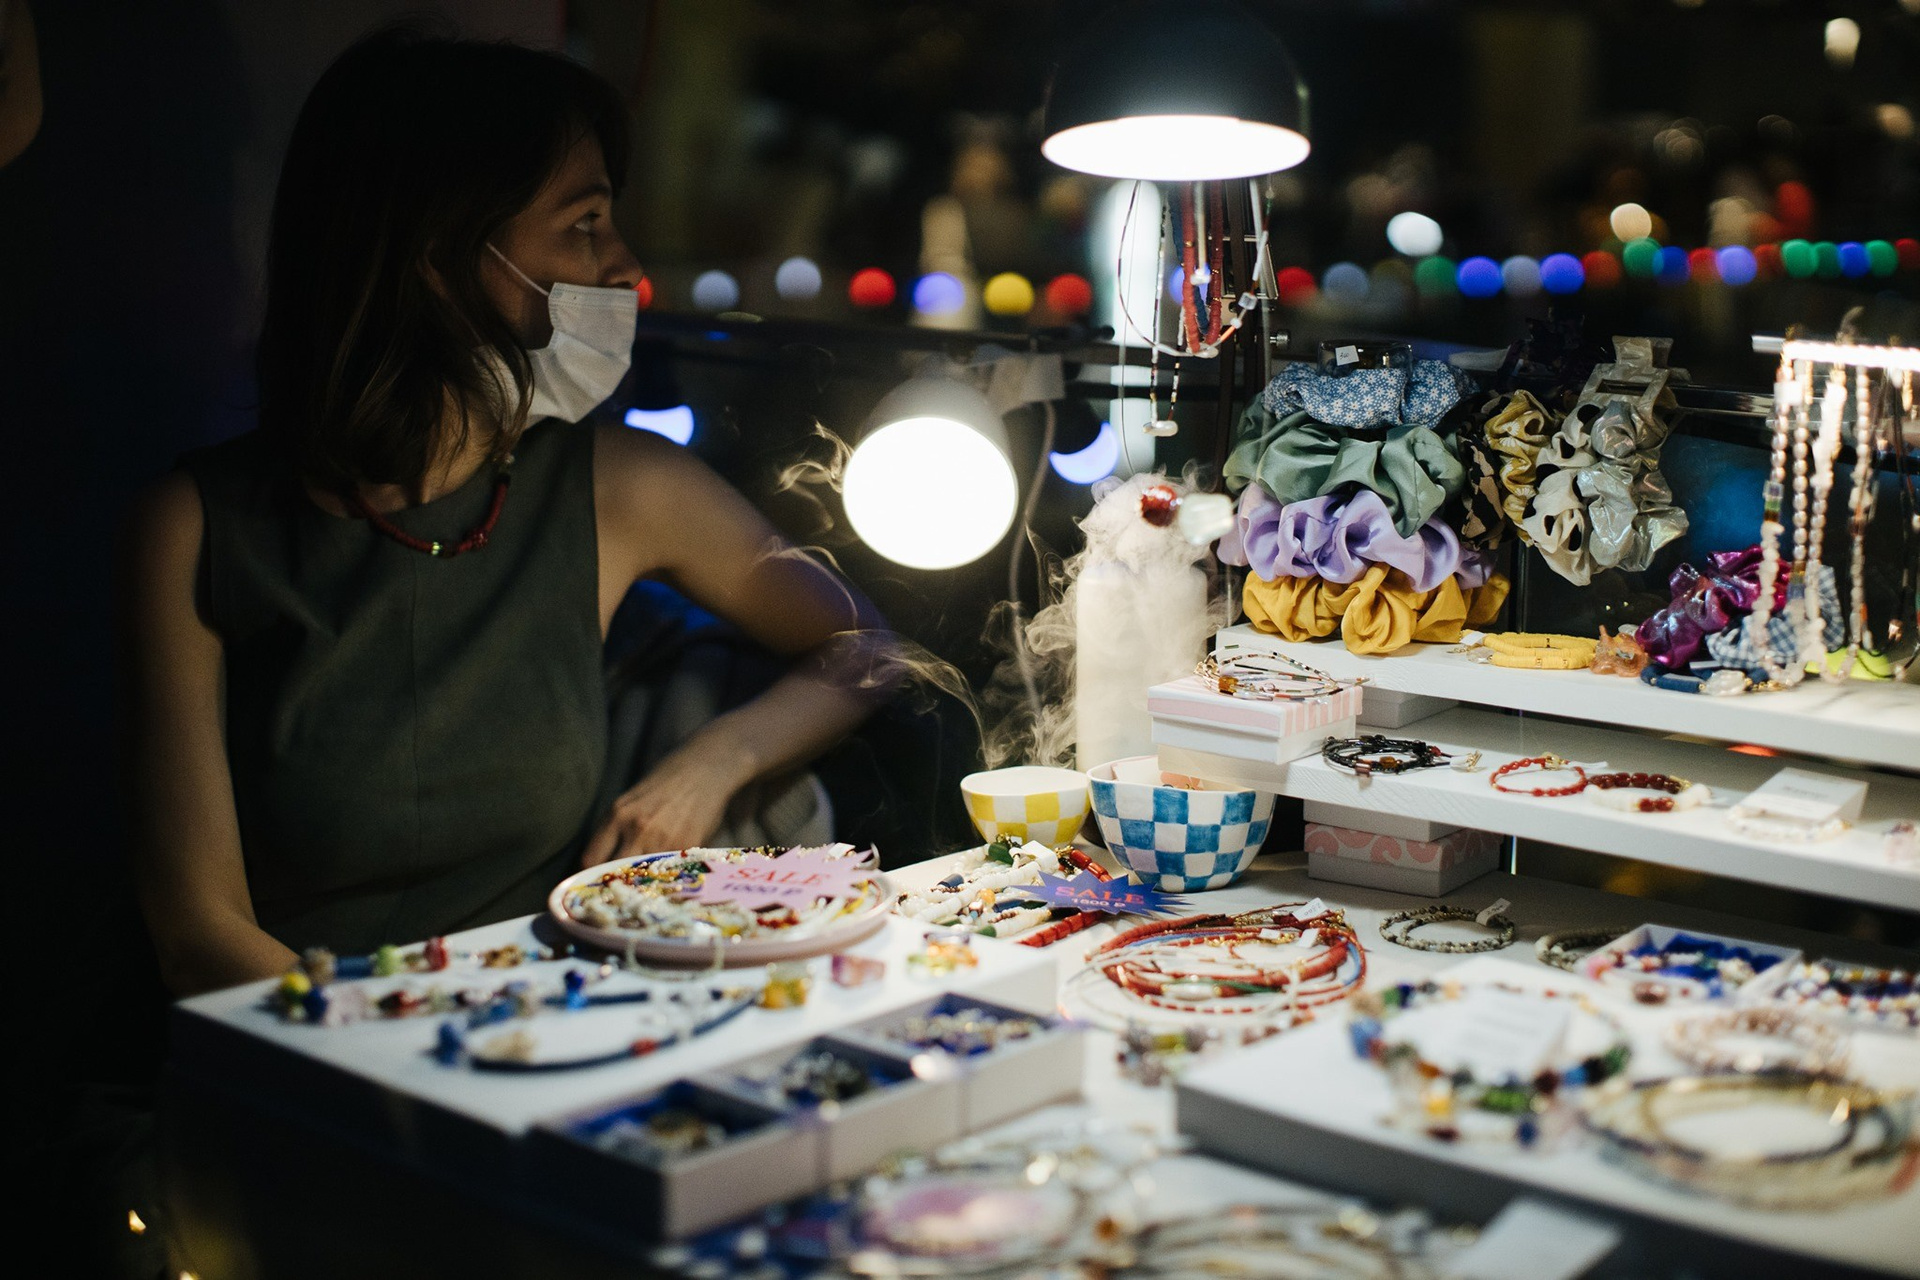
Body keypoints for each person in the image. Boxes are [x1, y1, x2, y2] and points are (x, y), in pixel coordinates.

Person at [120, 28, 900, 998]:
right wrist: (402, 1043)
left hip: (540, 1037)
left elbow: (866, 648)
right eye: (585, 223)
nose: (625, 264)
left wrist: (715, 760)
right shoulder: (193, 527)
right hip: (297, 1049)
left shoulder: (614, 485)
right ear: (439, 253)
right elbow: (197, 934)